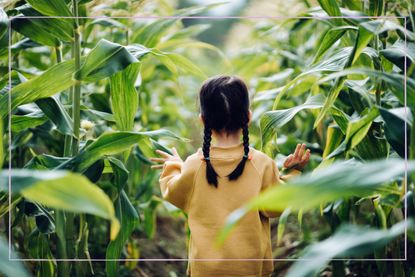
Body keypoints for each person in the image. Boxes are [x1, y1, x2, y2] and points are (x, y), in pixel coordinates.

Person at [150, 75, 310, 277]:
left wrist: (173, 165)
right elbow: (276, 205)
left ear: (202, 120)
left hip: (205, 271)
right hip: (251, 270)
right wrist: (294, 172)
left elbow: (174, 191)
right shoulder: (261, 164)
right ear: (249, 117)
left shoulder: (194, 166)